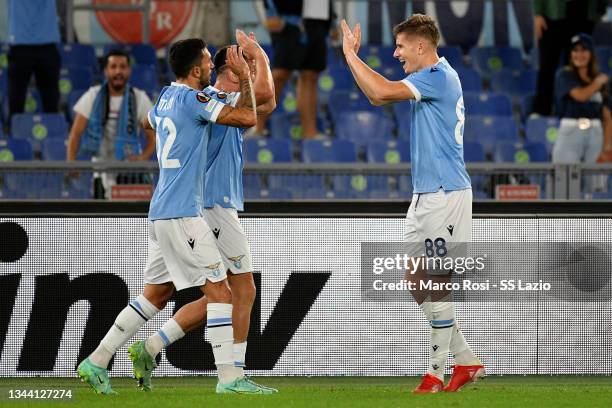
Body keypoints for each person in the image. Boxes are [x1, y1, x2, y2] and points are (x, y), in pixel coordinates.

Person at [76, 37, 258, 395]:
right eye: (207, 62)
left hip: (158, 211)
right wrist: (244, 77)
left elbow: (149, 122)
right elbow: (249, 116)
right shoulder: (194, 99)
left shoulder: (164, 98)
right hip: (183, 213)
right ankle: (230, 380)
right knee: (221, 293)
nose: (211, 66)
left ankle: (97, 360)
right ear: (195, 71)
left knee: (154, 296)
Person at [126, 31, 277, 394]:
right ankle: (232, 374)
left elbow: (149, 121)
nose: (251, 70)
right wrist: (261, 58)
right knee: (239, 289)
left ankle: (150, 347)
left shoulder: (206, 99)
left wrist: (161, 120)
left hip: (203, 205)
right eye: (245, 64)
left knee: (215, 292)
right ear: (226, 69)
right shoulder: (216, 98)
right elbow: (267, 100)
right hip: (211, 205)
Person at [341, 15, 483, 393]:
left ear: (421, 46)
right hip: (425, 195)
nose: (396, 52)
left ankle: (436, 373)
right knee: (416, 279)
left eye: (401, 45)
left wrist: (350, 56)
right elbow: (378, 94)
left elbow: (381, 93)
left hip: (445, 194)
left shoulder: (438, 76)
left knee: (437, 281)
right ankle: (466, 360)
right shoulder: (434, 76)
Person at [66, 49, 155, 199]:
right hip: (101, 173)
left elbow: (153, 138)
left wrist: (142, 157)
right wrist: (71, 163)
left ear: (129, 70)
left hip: (131, 174)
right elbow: (75, 133)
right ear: (106, 71)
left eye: (122, 66)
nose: (118, 71)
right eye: (113, 67)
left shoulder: (140, 98)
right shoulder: (92, 96)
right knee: (103, 218)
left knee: (131, 220)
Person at [252, 0, 336, 139]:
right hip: (289, 22)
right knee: (279, 74)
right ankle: (256, 128)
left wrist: (331, 22)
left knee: (310, 76)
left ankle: (310, 133)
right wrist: (270, 13)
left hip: (319, 23)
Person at [552, 33, 612, 189]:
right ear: (570, 54)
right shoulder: (564, 74)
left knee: (597, 185)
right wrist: (597, 83)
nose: (579, 54)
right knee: (565, 185)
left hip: (596, 133)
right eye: (575, 50)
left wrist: (607, 147)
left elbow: (607, 116)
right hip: (571, 131)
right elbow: (580, 96)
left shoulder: (599, 79)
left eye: (584, 50)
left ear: (591, 53)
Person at [532, 0, 607, 116]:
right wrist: (538, 13)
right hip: (552, 14)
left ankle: (575, 113)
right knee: (547, 66)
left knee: (580, 65)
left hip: (584, 11)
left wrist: (600, 9)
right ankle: (541, 112)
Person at [7, 0, 61, 119]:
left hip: (46, 44)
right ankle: (13, 134)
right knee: (16, 104)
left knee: (51, 105)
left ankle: (54, 135)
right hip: (21, 44)